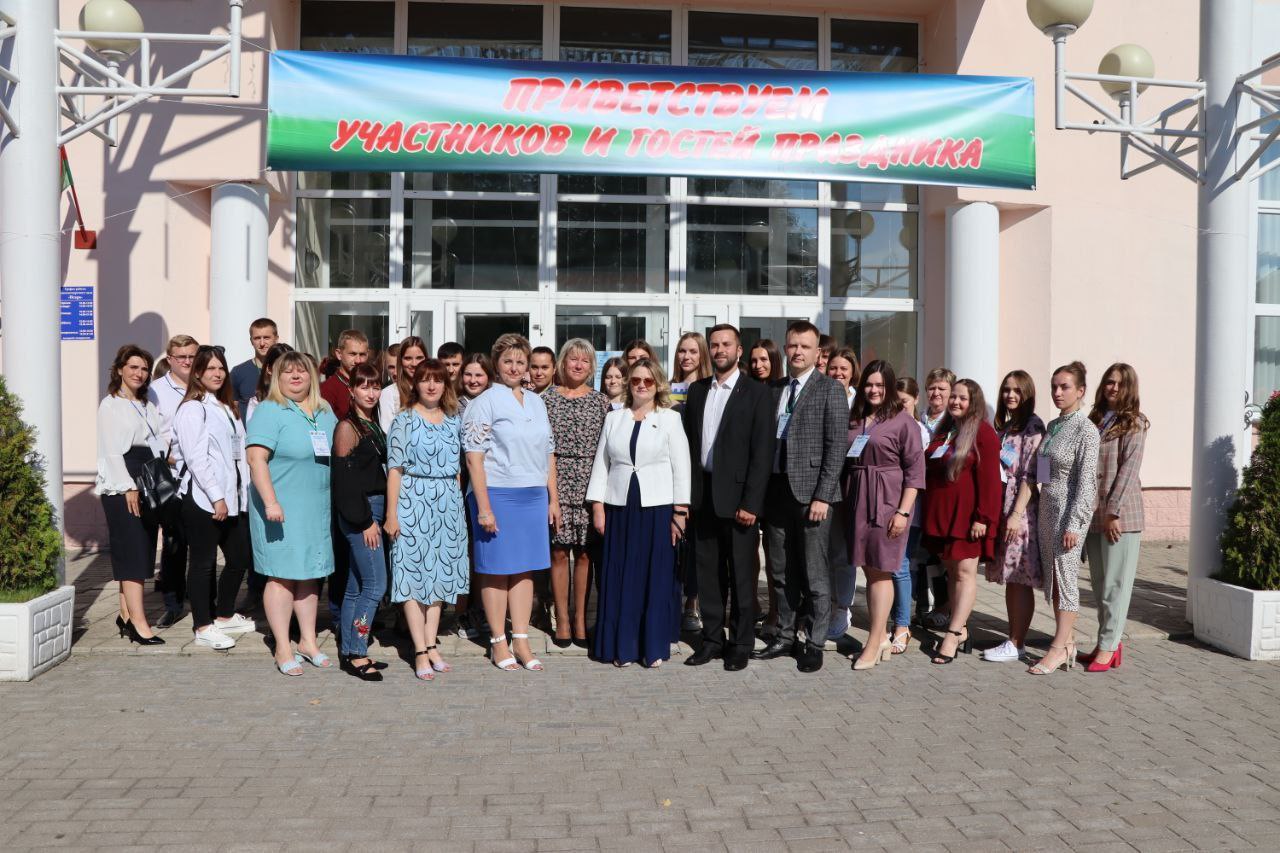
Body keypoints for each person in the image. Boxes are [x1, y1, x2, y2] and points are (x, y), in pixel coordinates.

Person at [756, 321, 849, 674]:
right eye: (792, 345)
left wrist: (823, 495)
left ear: (817, 352)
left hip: (812, 497)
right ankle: (784, 636)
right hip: (776, 492)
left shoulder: (830, 389)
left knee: (814, 573)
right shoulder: (775, 389)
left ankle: (814, 641)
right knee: (780, 570)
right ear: (785, 348)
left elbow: (836, 448)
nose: (797, 351)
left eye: (805, 346)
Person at [463, 333, 558, 672]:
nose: (515, 368)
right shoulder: (484, 402)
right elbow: (473, 457)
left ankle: (521, 638)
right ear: (496, 364)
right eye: (508, 361)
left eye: (521, 362)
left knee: (524, 568)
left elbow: (548, 452)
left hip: (533, 495)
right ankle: (498, 641)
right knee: (496, 570)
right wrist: (484, 507)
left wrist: (553, 499)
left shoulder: (536, 401)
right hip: (497, 494)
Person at [682, 324, 774, 671]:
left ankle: (741, 642)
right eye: (714, 344)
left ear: (739, 350)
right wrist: (687, 497)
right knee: (708, 575)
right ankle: (711, 640)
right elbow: (691, 446)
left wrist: (751, 503)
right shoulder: (697, 391)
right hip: (703, 496)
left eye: (726, 344)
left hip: (739, 502)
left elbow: (762, 453)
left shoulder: (757, 393)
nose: (719, 350)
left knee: (741, 576)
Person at [587, 358, 690, 667]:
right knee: (620, 576)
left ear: (657, 384)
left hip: (657, 509)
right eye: (635, 380)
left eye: (647, 380)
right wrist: (597, 506)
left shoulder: (670, 419)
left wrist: (680, 512)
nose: (641, 385)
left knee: (654, 576)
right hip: (619, 507)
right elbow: (602, 465)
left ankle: (652, 646)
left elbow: (681, 467)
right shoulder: (613, 418)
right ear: (628, 384)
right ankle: (622, 646)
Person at [246, 351, 339, 676]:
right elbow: (256, 459)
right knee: (282, 575)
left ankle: (308, 642)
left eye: (302, 371)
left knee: (310, 573)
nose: (296, 376)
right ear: (277, 377)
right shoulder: (270, 410)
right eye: (288, 372)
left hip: (316, 508)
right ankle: (283, 645)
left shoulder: (323, 411)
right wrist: (271, 502)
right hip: (281, 508)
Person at [386, 359, 470, 680]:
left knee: (441, 574)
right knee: (411, 574)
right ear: (416, 384)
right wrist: (391, 514)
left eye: (438, 380)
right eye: (425, 380)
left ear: (446, 385)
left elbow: (459, 468)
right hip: (412, 500)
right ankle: (419, 649)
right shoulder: (404, 420)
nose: (431, 386)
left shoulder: (453, 420)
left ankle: (432, 643)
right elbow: (395, 469)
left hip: (447, 503)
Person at [843, 360, 925, 670]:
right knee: (868, 570)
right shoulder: (856, 418)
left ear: (889, 387)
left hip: (888, 501)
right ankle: (879, 639)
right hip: (857, 500)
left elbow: (915, 473)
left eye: (879, 385)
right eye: (869, 384)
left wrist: (903, 512)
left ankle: (875, 640)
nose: (873, 390)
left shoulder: (903, 422)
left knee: (881, 570)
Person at [173, 346, 255, 651]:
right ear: (197, 373)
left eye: (221, 368)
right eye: (210, 368)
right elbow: (196, 459)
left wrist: (240, 496)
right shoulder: (193, 409)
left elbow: (237, 455)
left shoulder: (226, 406)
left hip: (232, 498)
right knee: (203, 564)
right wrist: (217, 497)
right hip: (204, 500)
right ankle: (203, 626)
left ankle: (223, 615)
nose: (217, 374)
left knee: (239, 558)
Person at [921, 379, 1002, 665]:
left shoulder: (983, 433)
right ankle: (962, 627)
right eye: (953, 397)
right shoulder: (946, 430)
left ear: (973, 402)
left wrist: (983, 518)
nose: (955, 402)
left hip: (968, 519)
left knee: (965, 573)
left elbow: (991, 481)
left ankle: (953, 634)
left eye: (962, 398)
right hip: (943, 517)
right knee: (953, 573)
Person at [1030, 361, 1100, 676]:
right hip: (1048, 508)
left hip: (1069, 513)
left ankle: (1057, 648)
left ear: (1080, 391)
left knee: (1067, 578)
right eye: (1054, 387)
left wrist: (1075, 522)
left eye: (1065, 387)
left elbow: (1087, 483)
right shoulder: (1054, 425)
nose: (1057, 392)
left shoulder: (1087, 430)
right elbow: (1044, 472)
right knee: (1055, 579)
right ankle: (1067, 641)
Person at [95, 345, 165, 646]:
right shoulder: (110, 405)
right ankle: (139, 623)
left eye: (144, 368)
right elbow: (111, 451)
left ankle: (125, 615)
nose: (139, 373)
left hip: (148, 476)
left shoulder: (147, 404)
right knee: (133, 551)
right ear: (120, 369)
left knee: (142, 547)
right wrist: (128, 486)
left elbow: (156, 440)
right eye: (134, 367)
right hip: (124, 480)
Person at [1082, 363, 1149, 672]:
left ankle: (1109, 646)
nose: (1113, 388)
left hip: (1119, 517)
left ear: (1129, 388)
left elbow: (1128, 470)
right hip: (1093, 513)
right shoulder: (1095, 420)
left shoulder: (1135, 423)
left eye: (1120, 384)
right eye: (1109, 382)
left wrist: (1113, 511)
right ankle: (1106, 642)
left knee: (1115, 586)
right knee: (1099, 585)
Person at [544, 339, 610, 648]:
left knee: (584, 553)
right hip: (555, 480)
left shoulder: (601, 402)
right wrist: (552, 498)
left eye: (585, 360)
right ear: (563, 362)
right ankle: (562, 620)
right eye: (573, 359)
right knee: (558, 552)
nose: (578, 365)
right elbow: (543, 449)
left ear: (592, 366)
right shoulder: (546, 400)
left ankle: (581, 619)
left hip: (590, 482)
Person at [330, 363, 390, 681]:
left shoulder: (371, 423)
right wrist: (365, 521)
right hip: (362, 514)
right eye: (364, 386)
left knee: (356, 587)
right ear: (352, 390)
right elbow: (344, 481)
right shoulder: (347, 427)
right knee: (376, 585)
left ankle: (350, 649)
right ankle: (358, 651)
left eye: (375, 386)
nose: (370, 392)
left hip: (373, 509)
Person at [983, 370, 1046, 663]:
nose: (1010, 395)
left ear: (1027, 394)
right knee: (1011, 578)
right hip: (1003, 505)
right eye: (1007, 389)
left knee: (1020, 577)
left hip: (1020, 510)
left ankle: (1017, 642)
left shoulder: (1034, 427)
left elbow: (1033, 476)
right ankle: (1013, 639)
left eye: (1017, 390)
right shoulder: (1008, 427)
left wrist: (1016, 514)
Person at [147, 334, 198, 629]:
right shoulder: (156, 391)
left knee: (203, 541)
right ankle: (173, 604)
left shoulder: (205, 384)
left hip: (203, 473)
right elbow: (151, 434)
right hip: (172, 474)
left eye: (192, 356)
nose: (188, 362)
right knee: (174, 541)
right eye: (182, 357)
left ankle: (203, 599)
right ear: (170, 359)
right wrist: (169, 457)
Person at [889, 376, 930, 654]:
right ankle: (896, 618)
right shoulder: (894, 424)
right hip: (892, 506)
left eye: (903, 401)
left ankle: (902, 625)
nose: (899, 406)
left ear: (915, 399)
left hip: (909, 510)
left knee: (901, 566)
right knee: (894, 566)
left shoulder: (917, 430)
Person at [824, 345, 862, 640]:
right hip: (822, 486)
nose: (838, 373)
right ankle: (824, 605)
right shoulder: (821, 395)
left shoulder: (859, 403)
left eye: (843, 369)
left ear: (853, 373)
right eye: (833, 368)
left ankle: (843, 607)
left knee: (843, 553)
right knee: (823, 551)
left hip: (849, 486)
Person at [917, 366, 957, 626]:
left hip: (943, 495)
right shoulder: (919, 418)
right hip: (920, 495)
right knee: (925, 556)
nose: (936, 393)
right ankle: (927, 605)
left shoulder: (954, 423)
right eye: (931, 388)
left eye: (942, 388)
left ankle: (948, 608)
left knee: (947, 558)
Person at [230, 318, 279, 419]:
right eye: (257, 338)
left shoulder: (287, 371)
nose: (262, 343)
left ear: (276, 338)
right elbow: (231, 408)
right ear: (251, 341)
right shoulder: (238, 372)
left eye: (266, 338)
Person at [379, 336, 427, 432]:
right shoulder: (389, 393)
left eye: (419, 358)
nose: (414, 363)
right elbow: (389, 431)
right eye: (408, 358)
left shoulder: (436, 389)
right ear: (400, 361)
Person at [319, 329, 371, 421]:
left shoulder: (371, 385)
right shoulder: (327, 389)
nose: (358, 360)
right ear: (339, 354)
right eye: (352, 354)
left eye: (362, 354)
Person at [244, 343, 295, 425]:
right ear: (269, 369)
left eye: (293, 367)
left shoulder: (303, 399)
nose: (292, 374)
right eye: (282, 367)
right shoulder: (257, 401)